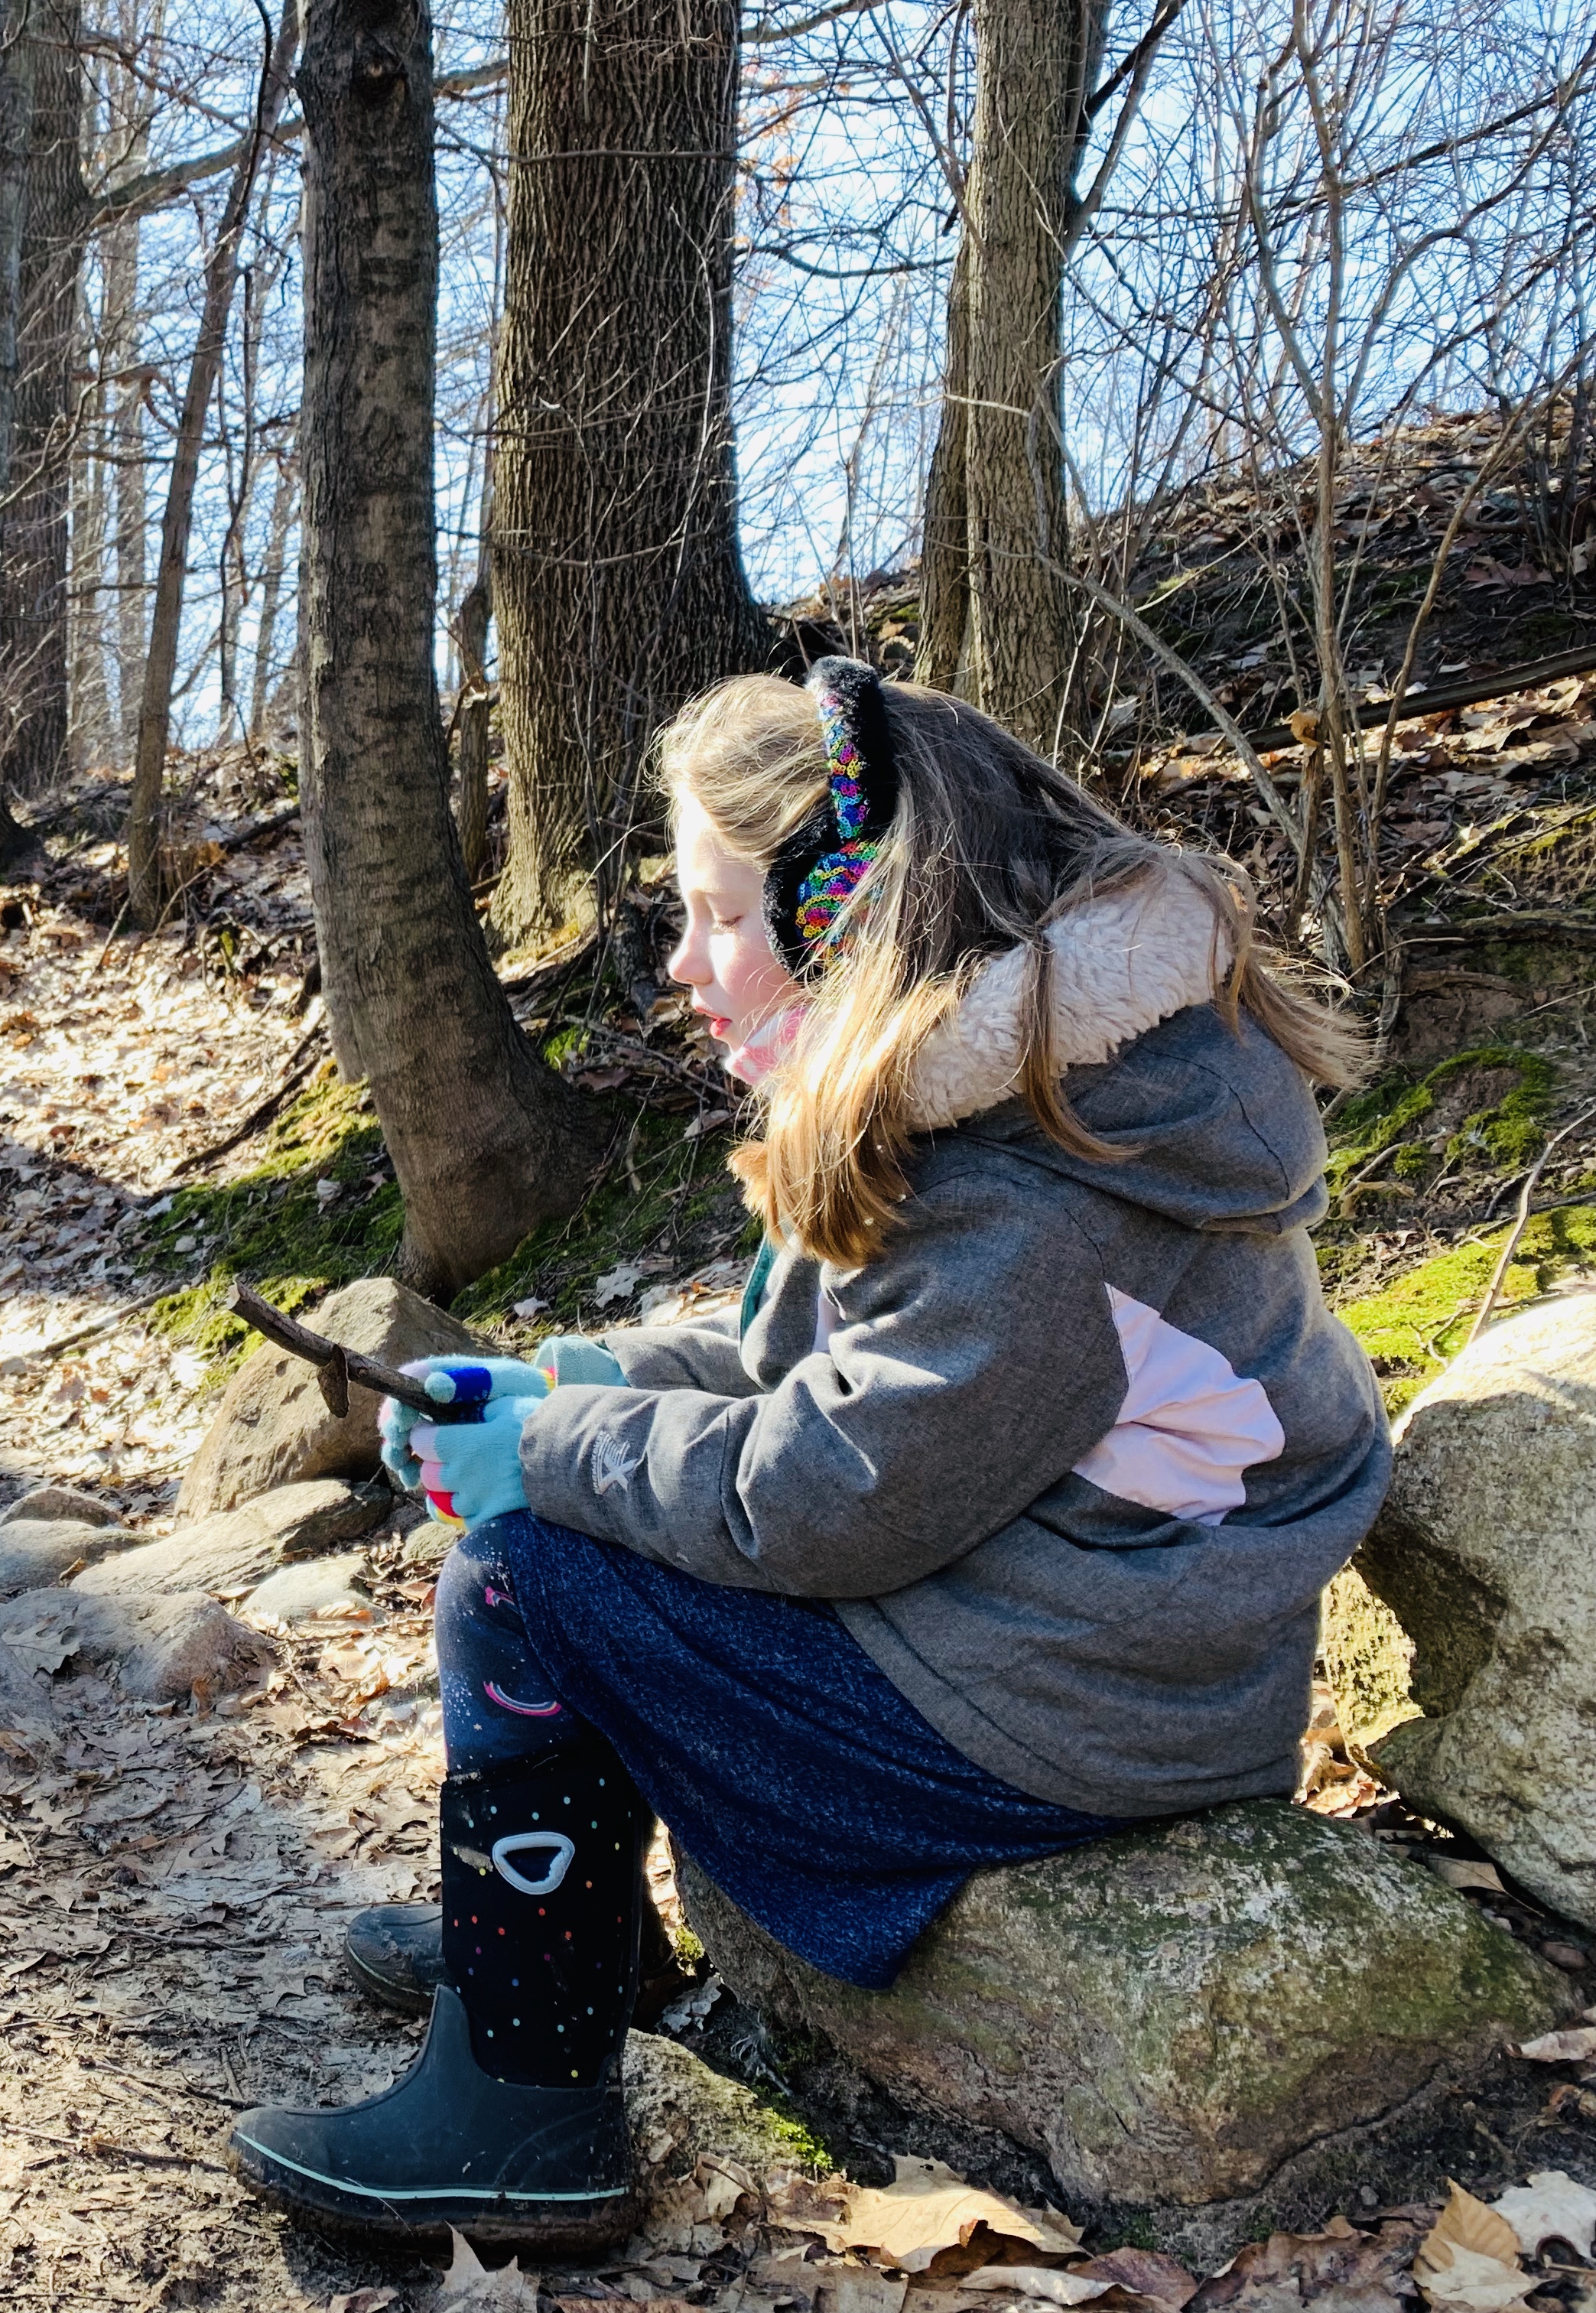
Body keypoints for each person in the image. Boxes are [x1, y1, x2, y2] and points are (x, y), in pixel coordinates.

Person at [225, 660, 1389, 2253]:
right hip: (1070, 1637)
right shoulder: (980, 1094)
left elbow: (816, 1498)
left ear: (842, 923)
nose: (686, 969)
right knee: (588, 1503)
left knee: (530, 1575)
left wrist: (552, 1455)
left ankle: (523, 2114)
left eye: (715, 917)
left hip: (1087, 1719)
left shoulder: (1034, 1197)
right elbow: (807, 1377)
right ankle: (574, 1949)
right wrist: (570, 1382)